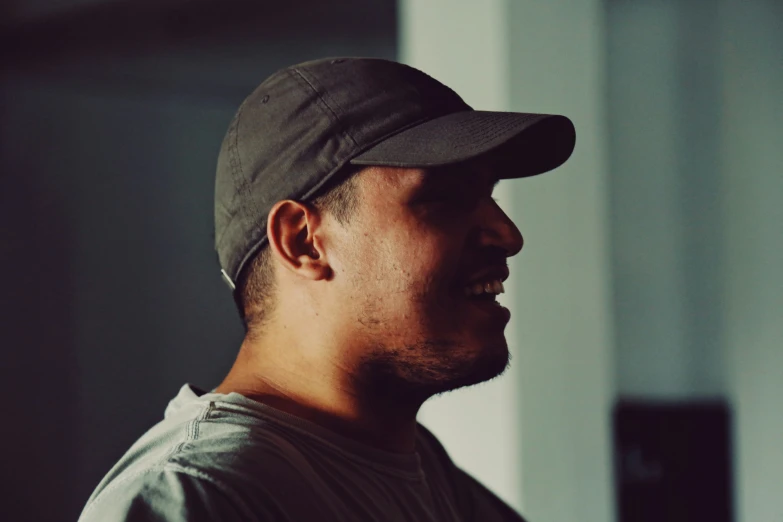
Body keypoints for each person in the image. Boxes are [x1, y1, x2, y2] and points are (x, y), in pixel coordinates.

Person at [78, 57, 575, 522]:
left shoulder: (417, 466)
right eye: (445, 198)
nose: (508, 235)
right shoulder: (197, 496)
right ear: (303, 242)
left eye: (488, 196)